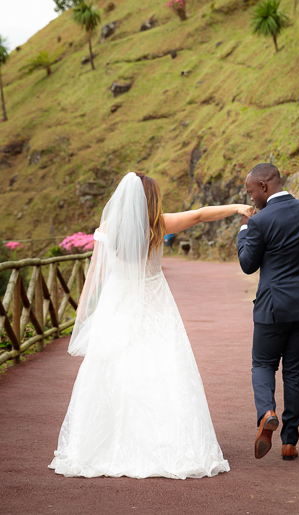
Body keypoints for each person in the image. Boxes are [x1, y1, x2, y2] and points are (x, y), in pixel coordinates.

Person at [50, 171, 254, 480]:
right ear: (152, 199)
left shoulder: (106, 229)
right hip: (155, 303)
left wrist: (83, 316)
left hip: (116, 305)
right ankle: (166, 443)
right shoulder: (159, 225)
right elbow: (199, 216)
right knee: (163, 366)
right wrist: (238, 207)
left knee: (113, 368)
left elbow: (94, 275)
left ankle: (105, 443)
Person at [237, 163, 299, 462]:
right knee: (295, 372)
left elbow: (247, 264)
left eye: (252, 192)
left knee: (263, 364)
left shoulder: (259, 221)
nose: (251, 198)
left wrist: (243, 228)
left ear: (264, 186)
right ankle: (290, 441)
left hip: (273, 308)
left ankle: (267, 412)